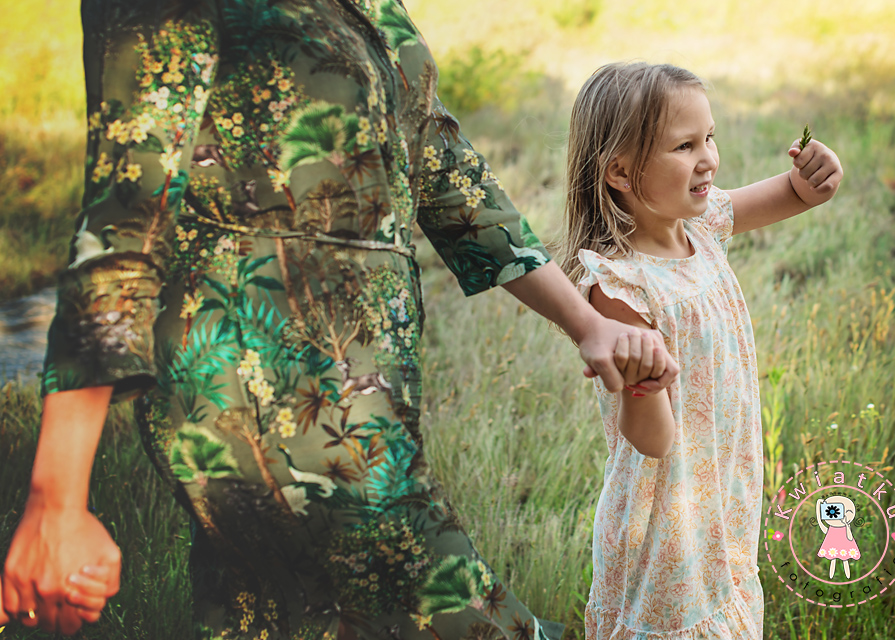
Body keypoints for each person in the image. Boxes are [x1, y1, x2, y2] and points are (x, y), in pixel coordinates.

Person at [1, 2, 680, 639]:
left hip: (368, 383)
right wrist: (55, 498)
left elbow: (445, 170)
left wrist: (584, 322)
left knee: (274, 616)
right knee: (453, 607)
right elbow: (123, 209)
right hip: (256, 378)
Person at [556, 62, 843, 638]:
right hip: (665, 516)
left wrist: (820, 176)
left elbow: (797, 192)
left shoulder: (701, 225)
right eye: (684, 146)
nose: (708, 157)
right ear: (619, 171)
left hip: (718, 489)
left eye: (709, 137)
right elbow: (652, 439)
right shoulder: (619, 288)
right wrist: (645, 380)